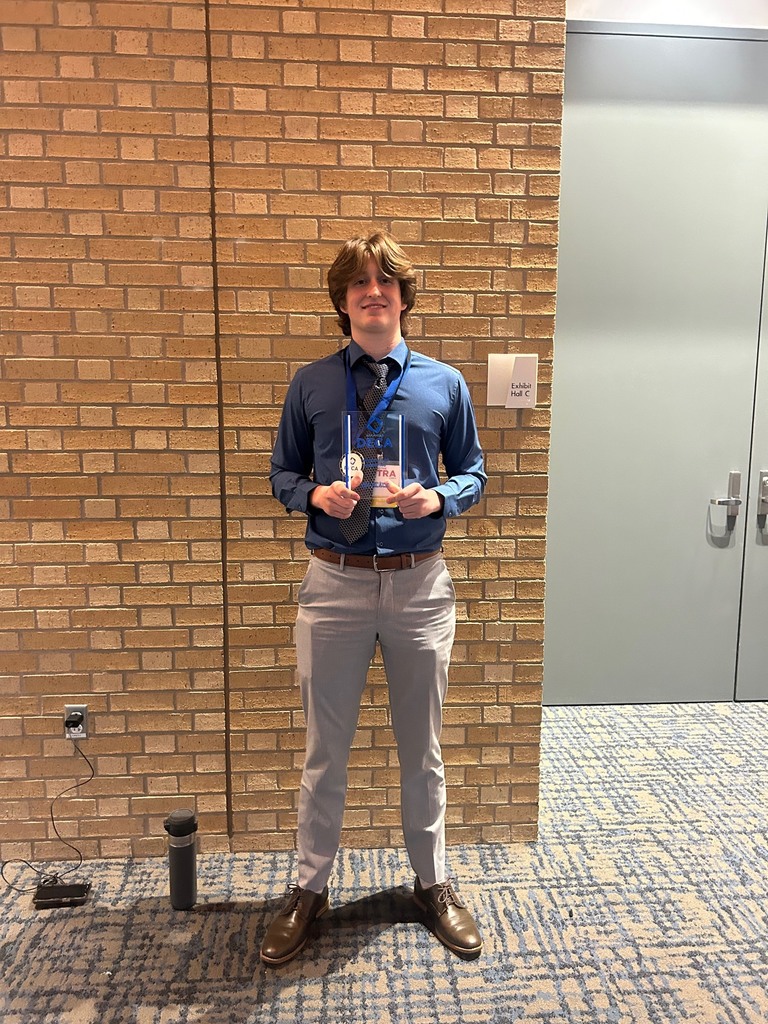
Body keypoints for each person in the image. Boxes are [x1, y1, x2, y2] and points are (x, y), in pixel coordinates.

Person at [263, 231, 487, 966]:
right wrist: (312, 495)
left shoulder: (444, 384)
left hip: (420, 587)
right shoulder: (311, 384)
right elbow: (281, 472)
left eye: (385, 281)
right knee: (324, 752)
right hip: (334, 586)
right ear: (342, 300)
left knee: (422, 748)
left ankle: (432, 884)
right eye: (359, 283)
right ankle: (309, 888)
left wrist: (441, 497)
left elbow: (474, 471)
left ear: (403, 297)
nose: (373, 292)